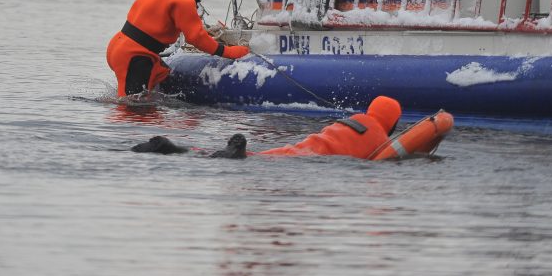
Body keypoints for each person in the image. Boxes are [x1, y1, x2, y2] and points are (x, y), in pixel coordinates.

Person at [106, 0, 250, 97]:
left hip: (119, 46)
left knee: (159, 78)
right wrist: (228, 52)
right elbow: (196, 38)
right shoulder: (184, 2)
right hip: (135, 56)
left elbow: (158, 21)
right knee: (133, 109)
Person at [129, 96, 401, 159]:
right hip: (312, 159)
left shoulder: (355, 118)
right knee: (250, 159)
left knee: (260, 157)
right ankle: (179, 150)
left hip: (301, 148)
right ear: (392, 123)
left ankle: (174, 148)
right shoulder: (380, 140)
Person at [256, 95, 402, 158]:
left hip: (314, 143)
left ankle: (249, 154)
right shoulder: (382, 143)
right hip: (323, 157)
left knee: (288, 152)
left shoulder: (356, 118)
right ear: (392, 123)